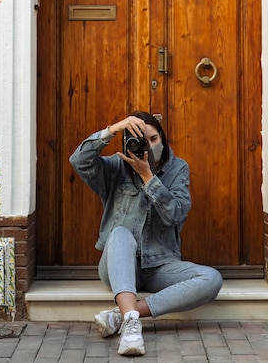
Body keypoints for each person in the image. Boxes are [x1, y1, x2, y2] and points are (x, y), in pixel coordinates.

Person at [69, 112, 223, 357]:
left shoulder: (177, 168)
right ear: (128, 143)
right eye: (140, 140)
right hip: (118, 266)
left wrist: (147, 177)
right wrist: (112, 129)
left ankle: (126, 316)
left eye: (153, 139)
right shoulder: (115, 167)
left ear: (162, 138)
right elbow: (79, 160)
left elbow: (176, 214)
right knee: (119, 233)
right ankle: (131, 325)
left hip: (159, 267)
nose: (148, 146)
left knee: (211, 279)